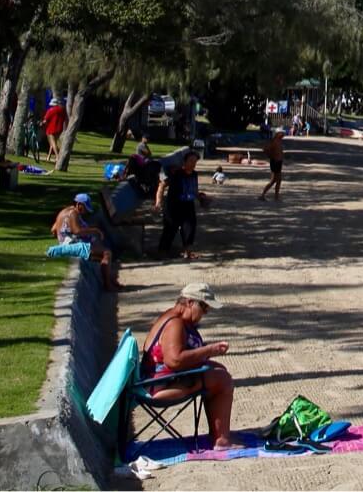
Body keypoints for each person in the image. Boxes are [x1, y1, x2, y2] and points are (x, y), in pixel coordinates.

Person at [140, 281, 237, 449]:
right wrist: (209, 350)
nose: (205, 313)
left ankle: (218, 435)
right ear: (190, 302)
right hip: (159, 387)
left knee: (219, 370)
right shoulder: (175, 323)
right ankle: (221, 440)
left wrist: (208, 357)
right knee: (223, 379)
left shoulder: (175, 318)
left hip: (163, 381)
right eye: (204, 307)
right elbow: (174, 360)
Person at [51, 193, 121, 288]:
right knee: (106, 253)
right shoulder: (73, 213)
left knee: (101, 255)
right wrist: (96, 230)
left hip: (66, 244)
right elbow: (77, 231)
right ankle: (108, 285)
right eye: (85, 208)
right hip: (72, 246)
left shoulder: (64, 211)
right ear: (79, 204)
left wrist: (62, 237)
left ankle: (111, 280)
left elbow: (53, 230)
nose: (85, 212)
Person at [155, 144, 206, 259]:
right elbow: (161, 186)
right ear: (184, 161)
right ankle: (162, 251)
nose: (193, 164)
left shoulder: (194, 174)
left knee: (190, 227)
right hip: (173, 205)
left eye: (195, 161)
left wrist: (201, 197)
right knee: (170, 228)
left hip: (188, 205)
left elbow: (194, 190)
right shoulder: (175, 173)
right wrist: (158, 201)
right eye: (191, 161)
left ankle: (187, 252)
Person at [258, 126, 285, 202]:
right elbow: (265, 149)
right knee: (275, 180)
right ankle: (264, 195)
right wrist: (271, 156)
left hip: (278, 162)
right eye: (282, 133)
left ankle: (274, 196)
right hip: (275, 162)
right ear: (278, 134)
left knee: (277, 180)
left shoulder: (279, 141)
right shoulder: (274, 141)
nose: (283, 135)